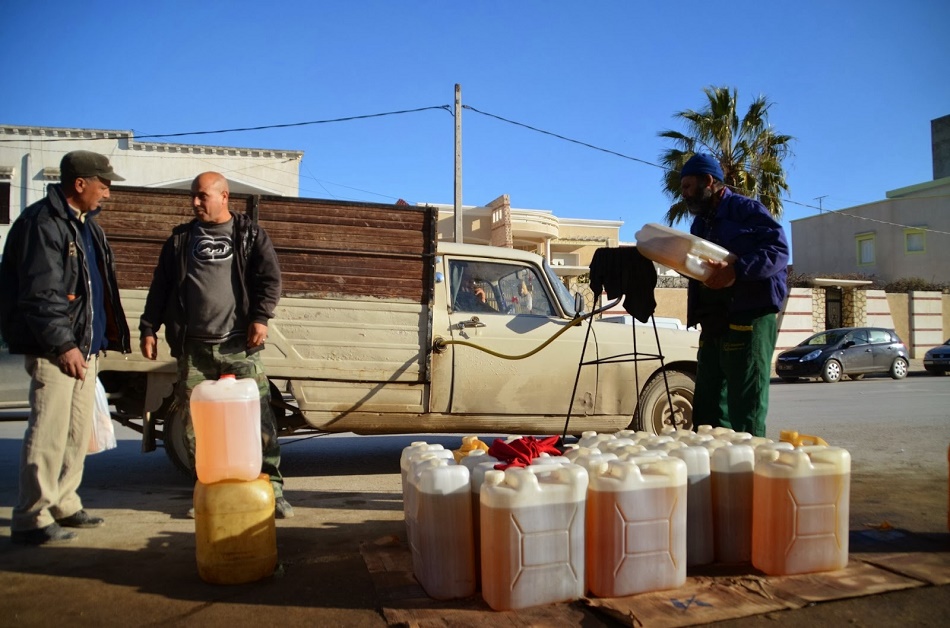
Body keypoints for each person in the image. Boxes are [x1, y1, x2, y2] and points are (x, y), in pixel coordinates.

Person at [138, 172, 293, 518]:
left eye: (202, 196)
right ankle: (207, 492)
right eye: (193, 196)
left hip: (239, 346)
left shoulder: (250, 235)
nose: (195, 203)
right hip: (194, 349)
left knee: (260, 419)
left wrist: (260, 318)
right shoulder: (180, 241)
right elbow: (160, 287)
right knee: (196, 426)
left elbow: (271, 279)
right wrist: (149, 327)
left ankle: (273, 490)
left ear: (225, 196)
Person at [0, 151, 131, 545]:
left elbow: (94, 289)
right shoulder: (43, 223)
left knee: (76, 434)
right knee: (49, 433)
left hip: (84, 348)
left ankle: (65, 503)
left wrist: (96, 342)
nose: (107, 192)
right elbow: (42, 295)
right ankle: (31, 517)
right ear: (80, 184)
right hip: (57, 351)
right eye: (103, 184)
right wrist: (63, 345)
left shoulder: (86, 226)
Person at [680, 154, 789, 437]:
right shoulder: (700, 225)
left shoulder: (747, 211)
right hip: (715, 317)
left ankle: (747, 470)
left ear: (709, 181)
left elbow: (777, 252)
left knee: (745, 404)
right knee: (708, 403)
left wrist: (736, 271)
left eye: (689, 186)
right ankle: (712, 472)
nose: (685, 193)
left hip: (750, 315)